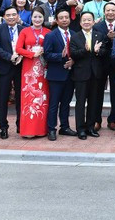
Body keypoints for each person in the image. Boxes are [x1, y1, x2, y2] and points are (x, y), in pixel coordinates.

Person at [69, 11, 108, 140]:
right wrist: (85, 50)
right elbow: (74, 54)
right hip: (81, 74)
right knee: (80, 103)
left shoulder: (100, 35)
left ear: (93, 21)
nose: (86, 22)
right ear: (80, 23)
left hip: (96, 74)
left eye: (89, 20)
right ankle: (80, 129)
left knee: (94, 102)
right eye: (84, 20)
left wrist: (98, 51)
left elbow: (105, 52)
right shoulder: (75, 37)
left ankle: (90, 127)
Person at [0, 6, 25, 138]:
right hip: (4, 67)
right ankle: (3, 127)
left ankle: (20, 125)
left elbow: (26, 46)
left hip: (19, 67)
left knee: (20, 99)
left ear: (17, 16)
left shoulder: (23, 29)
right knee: (3, 99)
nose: (11, 17)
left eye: (13, 15)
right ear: (4, 17)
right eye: (8, 15)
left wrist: (20, 56)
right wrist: (9, 57)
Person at [15, 7, 50, 138]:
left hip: (43, 67)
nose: (37, 19)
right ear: (31, 18)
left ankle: (41, 129)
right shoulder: (25, 31)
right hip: (29, 68)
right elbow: (18, 48)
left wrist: (43, 52)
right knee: (29, 96)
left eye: (40, 17)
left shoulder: (48, 32)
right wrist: (31, 53)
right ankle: (28, 130)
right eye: (35, 17)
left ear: (43, 18)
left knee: (42, 97)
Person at [42, 9, 77, 141]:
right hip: (56, 75)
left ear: (70, 19)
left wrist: (73, 61)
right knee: (54, 103)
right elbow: (47, 54)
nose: (64, 20)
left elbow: (77, 53)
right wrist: (60, 56)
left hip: (70, 75)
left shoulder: (74, 34)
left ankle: (65, 127)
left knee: (66, 103)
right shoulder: (51, 35)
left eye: (66, 17)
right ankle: (51, 129)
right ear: (56, 20)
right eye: (61, 18)